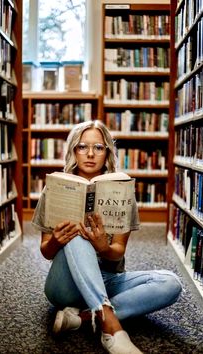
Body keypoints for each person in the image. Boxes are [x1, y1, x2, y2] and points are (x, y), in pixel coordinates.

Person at [32, 120, 182, 354]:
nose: (90, 154)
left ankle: (80, 319)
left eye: (99, 147)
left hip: (106, 278)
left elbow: (118, 251)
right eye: (82, 147)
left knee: (171, 283)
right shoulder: (54, 188)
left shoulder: (121, 191)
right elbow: (45, 251)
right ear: (73, 150)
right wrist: (56, 241)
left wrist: (102, 247)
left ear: (108, 152)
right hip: (65, 286)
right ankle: (110, 324)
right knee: (78, 233)